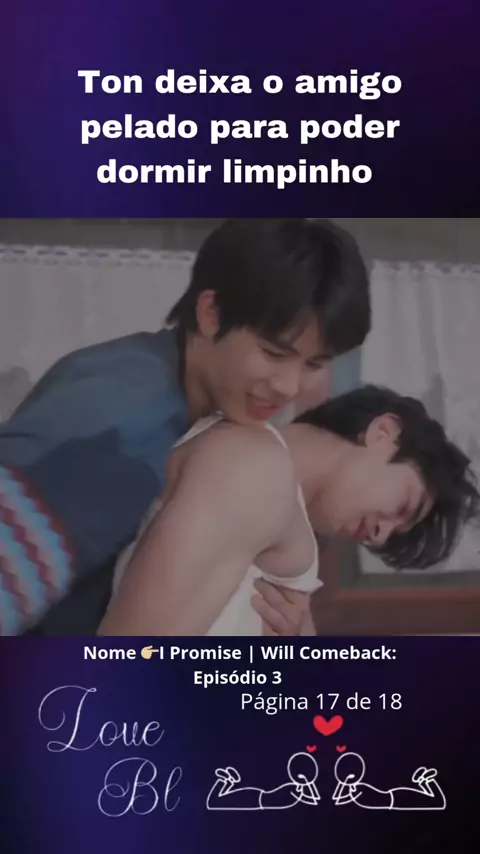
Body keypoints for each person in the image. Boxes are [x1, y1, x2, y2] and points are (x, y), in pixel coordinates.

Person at [0, 219, 371, 636]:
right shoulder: (123, 417)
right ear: (211, 314)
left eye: (314, 364)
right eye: (273, 353)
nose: (289, 386)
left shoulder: (200, 408)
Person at [99, 386, 480, 636]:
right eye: (402, 507)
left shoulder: (287, 524)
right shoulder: (247, 464)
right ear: (383, 433)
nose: (380, 536)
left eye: (394, 533)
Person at [332, 752, 446, 810]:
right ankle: (425, 780)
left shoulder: (359, 790)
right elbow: (337, 799)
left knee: (436, 802)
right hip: (395, 798)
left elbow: (338, 799)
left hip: (396, 799)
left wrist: (344, 781)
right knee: (434, 801)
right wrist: (343, 781)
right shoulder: (358, 790)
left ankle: (426, 780)